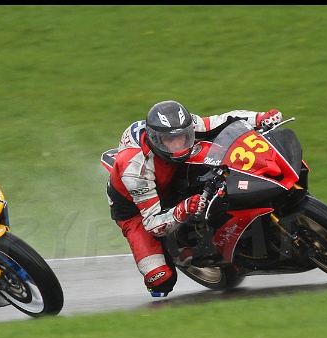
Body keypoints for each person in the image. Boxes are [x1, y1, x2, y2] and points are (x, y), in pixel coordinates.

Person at [105, 100, 283, 297]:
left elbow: (221, 122)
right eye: (170, 141)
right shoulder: (135, 169)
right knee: (161, 280)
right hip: (136, 208)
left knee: (224, 159)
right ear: (156, 140)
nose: (178, 145)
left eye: (183, 137)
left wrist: (259, 118)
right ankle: (176, 252)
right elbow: (153, 223)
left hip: (169, 172)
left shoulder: (183, 126)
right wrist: (185, 208)